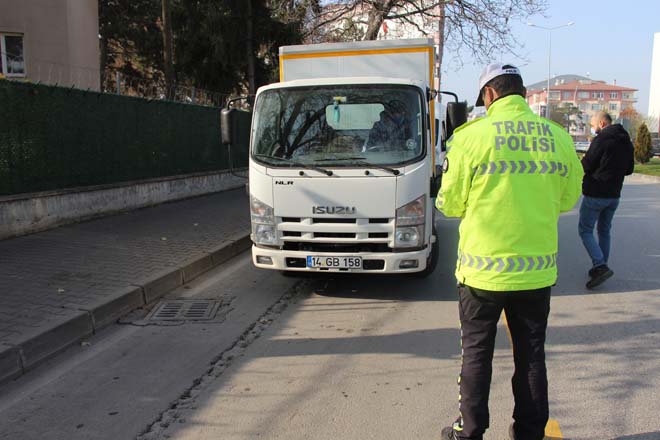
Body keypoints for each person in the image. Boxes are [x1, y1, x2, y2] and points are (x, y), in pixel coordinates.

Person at [436, 63, 583, 440]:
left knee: (476, 355)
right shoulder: (557, 137)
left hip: (481, 274)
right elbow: (569, 198)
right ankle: (530, 433)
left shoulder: (471, 137)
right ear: (522, 93)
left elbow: (449, 204)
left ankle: (469, 432)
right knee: (531, 355)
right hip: (535, 273)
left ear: (489, 94)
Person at [578, 111, 634, 289]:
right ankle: (601, 265)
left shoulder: (601, 139)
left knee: (585, 230)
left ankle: (600, 265)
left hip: (595, 193)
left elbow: (587, 165)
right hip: (614, 195)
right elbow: (629, 169)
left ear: (602, 123)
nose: (592, 127)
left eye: (593, 124)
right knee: (604, 230)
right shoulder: (626, 141)